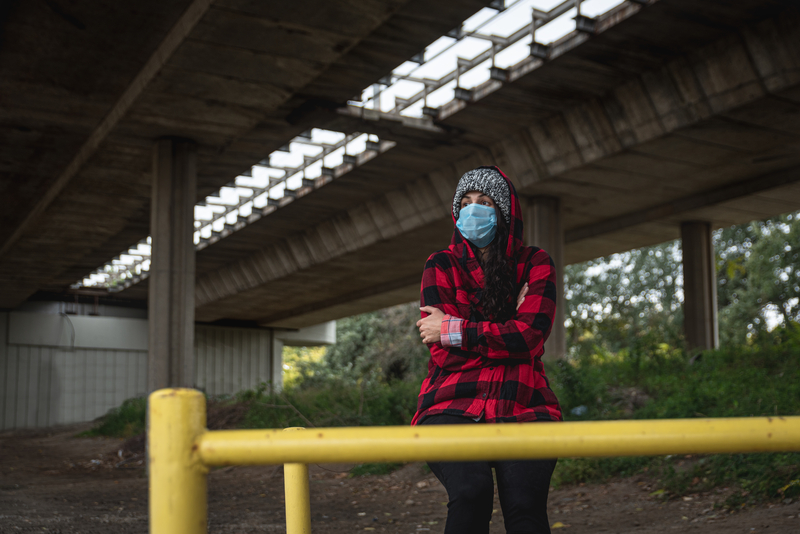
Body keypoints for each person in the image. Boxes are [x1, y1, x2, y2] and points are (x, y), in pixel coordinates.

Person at [412, 166, 562, 534]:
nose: (472, 211)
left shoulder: (536, 263)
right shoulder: (440, 264)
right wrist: (507, 324)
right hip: (450, 403)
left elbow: (530, 338)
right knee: (470, 493)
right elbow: (442, 354)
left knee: (525, 508)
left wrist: (454, 328)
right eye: (465, 203)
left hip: (526, 403)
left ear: (505, 214)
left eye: (485, 203)